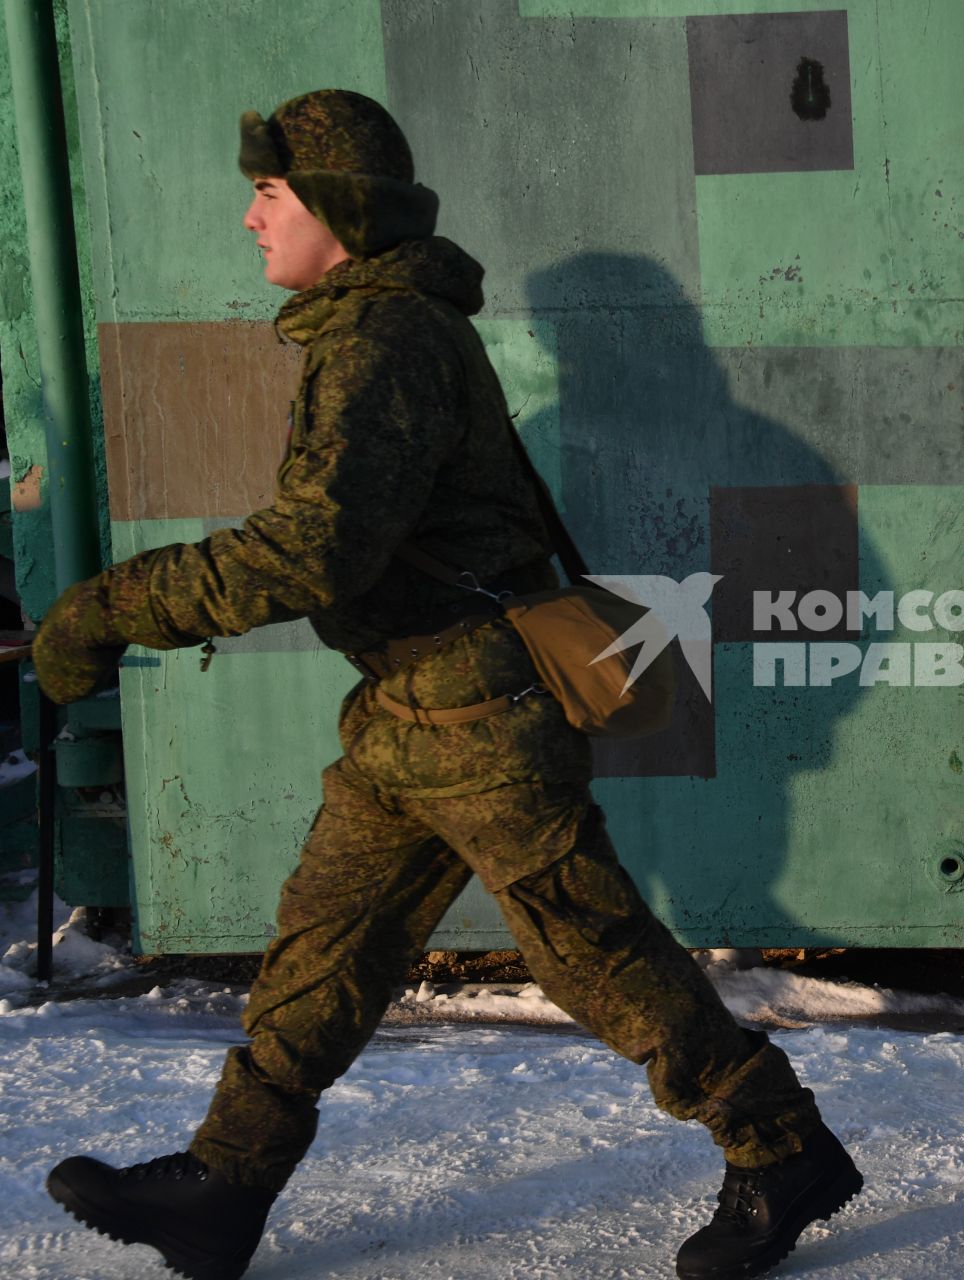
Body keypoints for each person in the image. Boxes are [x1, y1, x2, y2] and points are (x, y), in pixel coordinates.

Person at [35, 89, 860, 1280]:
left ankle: (781, 1145)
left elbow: (312, 546)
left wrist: (109, 605)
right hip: (407, 711)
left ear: (337, 210)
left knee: (591, 950)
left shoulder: (384, 341)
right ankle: (224, 1184)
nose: (251, 219)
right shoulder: (369, 328)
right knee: (324, 947)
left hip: (475, 715)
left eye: (269, 194)